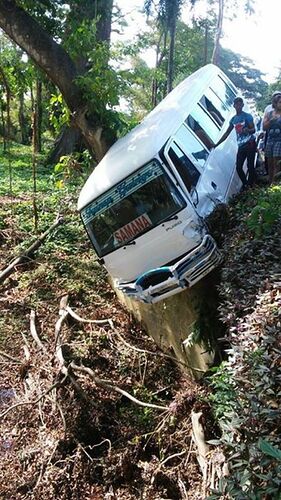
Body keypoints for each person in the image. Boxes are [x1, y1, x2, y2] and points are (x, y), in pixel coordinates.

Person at [213, 97, 256, 189]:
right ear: (234, 106)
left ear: (242, 105)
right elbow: (227, 133)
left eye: (240, 104)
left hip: (250, 143)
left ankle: (251, 185)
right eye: (236, 104)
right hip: (241, 145)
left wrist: (247, 130)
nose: (238, 106)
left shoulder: (247, 116)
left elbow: (253, 130)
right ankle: (246, 184)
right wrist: (216, 144)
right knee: (238, 167)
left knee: (250, 165)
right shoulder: (233, 119)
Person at [262, 93, 281, 184]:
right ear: (275, 103)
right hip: (270, 140)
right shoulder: (269, 114)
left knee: (276, 162)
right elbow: (264, 127)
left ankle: (275, 183)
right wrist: (271, 120)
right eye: (280, 102)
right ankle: (270, 182)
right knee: (269, 162)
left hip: (279, 141)